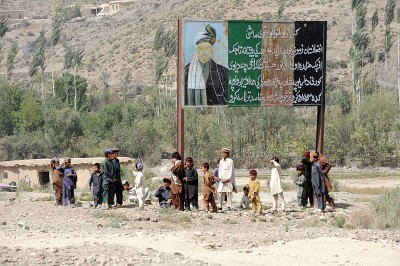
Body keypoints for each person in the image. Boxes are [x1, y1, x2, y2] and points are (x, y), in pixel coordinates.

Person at [184, 24, 228, 106]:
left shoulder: (224, 72)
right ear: (196, 51)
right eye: (201, 49)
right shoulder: (187, 71)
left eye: (207, 48)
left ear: (212, 51)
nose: (204, 52)